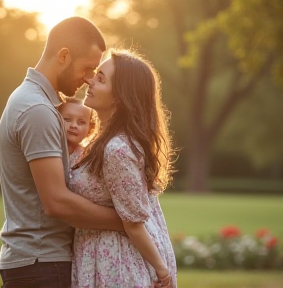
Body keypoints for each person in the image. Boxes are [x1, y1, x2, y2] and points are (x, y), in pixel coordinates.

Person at [0, 17, 123, 288]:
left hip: (37, 263)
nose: (89, 79)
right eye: (87, 68)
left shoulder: (35, 102)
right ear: (64, 55)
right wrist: (127, 221)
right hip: (41, 264)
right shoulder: (36, 109)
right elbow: (56, 202)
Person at [70, 49, 177, 288]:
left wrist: (163, 272)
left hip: (118, 266)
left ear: (119, 96)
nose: (90, 81)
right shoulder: (97, 142)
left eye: (101, 79)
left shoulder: (117, 148)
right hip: (98, 256)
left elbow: (134, 223)